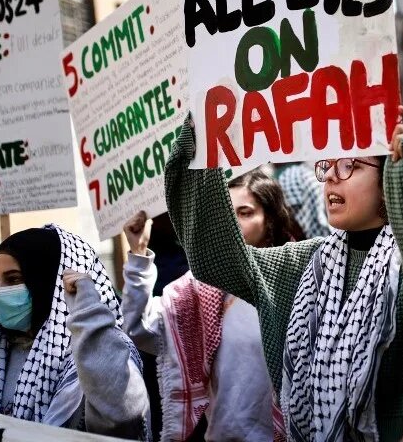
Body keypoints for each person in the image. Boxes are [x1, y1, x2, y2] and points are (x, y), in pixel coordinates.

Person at [165, 105, 403, 441]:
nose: (329, 176)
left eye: (350, 166)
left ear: (389, 176)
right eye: (327, 165)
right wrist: (202, 131)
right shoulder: (305, 263)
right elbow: (215, 257)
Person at [122, 169, 301, 441]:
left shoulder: (299, 281)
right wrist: (138, 254)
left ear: (270, 221)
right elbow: (141, 328)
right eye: (227, 213)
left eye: (245, 212)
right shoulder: (202, 286)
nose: (233, 223)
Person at [0, 225, 149, 438]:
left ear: (48, 282)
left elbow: (123, 417)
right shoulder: (1, 352)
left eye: (14, 279)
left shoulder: (103, 345)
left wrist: (88, 315)